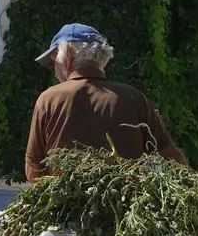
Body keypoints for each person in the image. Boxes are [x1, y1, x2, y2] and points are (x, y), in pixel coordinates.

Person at [25, 23, 188, 182]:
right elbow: (169, 154)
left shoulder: (49, 99)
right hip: (127, 205)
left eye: (54, 61)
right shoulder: (134, 98)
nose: (54, 70)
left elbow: (34, 169)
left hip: (66, 206)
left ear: (67, 55)